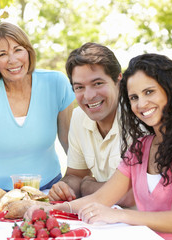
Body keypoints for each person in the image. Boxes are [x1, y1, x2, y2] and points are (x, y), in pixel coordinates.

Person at [25, 53, 172, 239]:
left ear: (170, 90)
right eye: (134, 97)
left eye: (149, 92)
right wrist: (50, 209)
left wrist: (119, 214)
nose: (141, 103)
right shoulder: (141, 147)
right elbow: (100, 199)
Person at [0, 22, 75, 191]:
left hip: (45, 185)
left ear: (28, 52)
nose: (13, 60)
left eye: (18, 50)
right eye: (2, 54)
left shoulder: (56, 83)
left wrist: (79, 179)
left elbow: (69, 140)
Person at [48, 42, 134, 207]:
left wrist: (87, 186)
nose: (89, 96)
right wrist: (64, 187)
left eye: (97, 83)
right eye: (79, 87)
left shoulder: (139, 118)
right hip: (102, 219)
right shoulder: (79, 117)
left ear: (118, 79)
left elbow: (133, 196)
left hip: (142, 225)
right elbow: (75, 175)